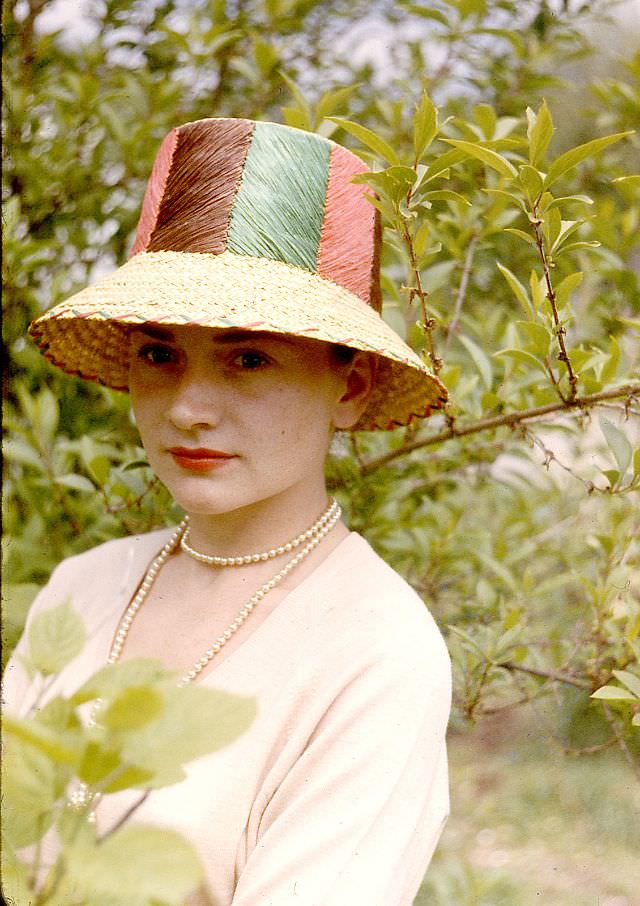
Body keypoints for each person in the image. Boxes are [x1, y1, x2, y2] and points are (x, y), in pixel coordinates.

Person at [5, 117, 452, 905]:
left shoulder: (376, 652)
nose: (188, 408)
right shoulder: (84, 587)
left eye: (249, 357)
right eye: (159, 353)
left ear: (348, 388)